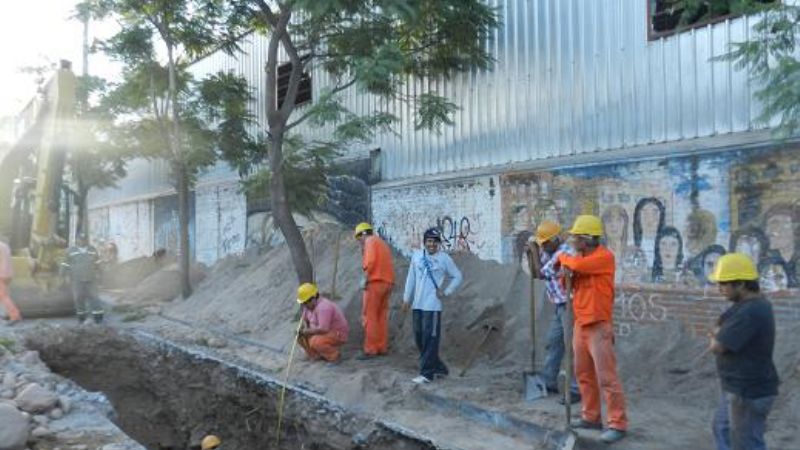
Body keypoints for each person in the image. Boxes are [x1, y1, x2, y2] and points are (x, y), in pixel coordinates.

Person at [558, 215, 628, 444]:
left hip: (599, 325)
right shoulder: (580, 257)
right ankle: (591, 416)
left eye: (576, 237)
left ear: (586, 239)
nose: (572, 241)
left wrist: (563, 258)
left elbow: (575, 265)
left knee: (607, 377)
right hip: (581, 323)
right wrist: (565, 273)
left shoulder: (603, 257)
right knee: (583, 374)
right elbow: (566, 281)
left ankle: (617, 423)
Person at [708, 253, 779, 450]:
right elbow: (717, 328)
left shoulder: (750, 311)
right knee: (721, 428)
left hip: (747, 391)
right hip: (737, 387)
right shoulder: (746, 307)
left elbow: (717, 345)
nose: (719, 288)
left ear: (740, 284)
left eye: (724, 283)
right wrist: (717, 332)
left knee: (747, 443)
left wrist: (716, 335)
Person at [527, 221, 580, 404]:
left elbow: (541, 274)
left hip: (571, 304)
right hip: (559, 306)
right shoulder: (549, 251)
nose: (543, 246)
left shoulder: (564, 253)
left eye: (545, 242)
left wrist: (534, 251)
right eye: (541, 243)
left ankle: (575, 389)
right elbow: (534, 273)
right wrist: (532, 251)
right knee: (553, 342)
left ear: (556, 239)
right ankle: (549, 381)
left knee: (572, 347)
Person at [402, 227, 463, 384]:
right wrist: (406, 299)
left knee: (431, 339)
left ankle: (427, 373)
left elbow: (457, 276)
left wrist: (447, 291)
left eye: (435, 242)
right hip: (417, 304)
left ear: (439, 243)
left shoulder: (444, 259)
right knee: (420, 338)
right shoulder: (416, 256)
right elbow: (411, 279)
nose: (432, 245)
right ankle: (439, 367)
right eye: (429, 241)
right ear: (425, 242)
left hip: (433, 306)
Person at [354, 222, 395, 359]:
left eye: (359, 238)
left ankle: (371, 349)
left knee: (370, 316)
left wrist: (364, 278)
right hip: (387, 283)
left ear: (363, 234)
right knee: (381, 316)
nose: (359, 241)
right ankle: (381, 347)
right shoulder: (382, 243)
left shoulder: (370, 241)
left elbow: (370, 261)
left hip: (375, 282)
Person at [296, 282, 349, 362]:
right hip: (322, 332)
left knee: (315, 341)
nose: (305, 305)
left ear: (313, 298)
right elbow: (306, 320)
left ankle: (334, 355)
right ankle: (316, 355)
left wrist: (307, 331)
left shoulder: (324, 307)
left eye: (306, 302)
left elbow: (324, 329)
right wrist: (302, 329)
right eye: (303, 303)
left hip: (336, 333)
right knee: (300, 337)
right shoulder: (308, 308)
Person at [63, 234, 104, 324]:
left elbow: (98, 263)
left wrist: (101, 275)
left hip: (91, 278)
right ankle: (81, 317)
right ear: (76, 240)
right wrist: (64, 276)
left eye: (83, 239)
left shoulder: (92, 250)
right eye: (80, 239)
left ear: (86, 240)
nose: (82, 241)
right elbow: (65, 264)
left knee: (94, 297)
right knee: (78, 298)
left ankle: (98, 317)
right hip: (76, 280)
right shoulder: (70, 251)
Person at [0, 235, 22, 323]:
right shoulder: (4, 246)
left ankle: (15, 315)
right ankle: (10, 314)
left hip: (1, 274)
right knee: (3, 295)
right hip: (7, 274)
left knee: (3, 295)